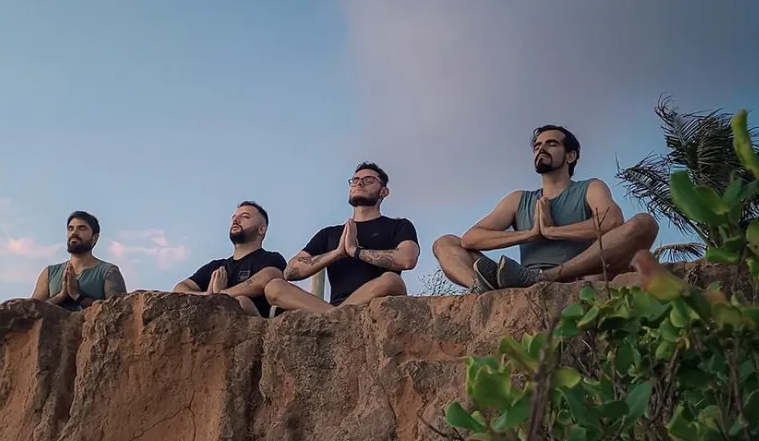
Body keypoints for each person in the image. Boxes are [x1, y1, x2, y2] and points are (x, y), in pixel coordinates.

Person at [432, 125, 658, 291]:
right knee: (445, 243)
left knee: (644, 223)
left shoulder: (591, 187)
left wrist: (553, 231)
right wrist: (530, 234)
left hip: (582, 275)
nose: (541, 149)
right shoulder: (519, 199)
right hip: (521, 278)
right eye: (537, 146)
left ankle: (546, 276)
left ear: (571, 156)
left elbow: (612, 222)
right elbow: (470, 239)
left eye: (551, 144)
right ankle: (482, 288)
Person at [264, 162, 419, 313]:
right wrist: (337, 253)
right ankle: (336, 314)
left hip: (376, 301)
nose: (359, 184)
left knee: (392, 280)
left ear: (383, 192)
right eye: (355, 180)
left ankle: (334, 315)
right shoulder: (330, 233)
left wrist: (355, 251)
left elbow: (407, 259)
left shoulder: (398, 226)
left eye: (369, 180)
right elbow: (290, 271)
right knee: (274, 286)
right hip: (331, 307)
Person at [173, 201, 286, 316]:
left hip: (257, 322)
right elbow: (179, 288)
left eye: (245, 216)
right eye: (234, 217)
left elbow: (266, 278)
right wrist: (207, 295)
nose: (236, 220)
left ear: (261, 229)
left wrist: (223, 293)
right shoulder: (216, 267)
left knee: (241, 301)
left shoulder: (270, 258)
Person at [32, 211, 126, 310]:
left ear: (95, 238)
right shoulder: (49, 273)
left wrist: (77, 296)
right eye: (70, 228)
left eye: (82, 228)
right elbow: (31, 311)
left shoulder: (108, 271)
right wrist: (60, 296)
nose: (74, 233)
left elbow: (118, 311)